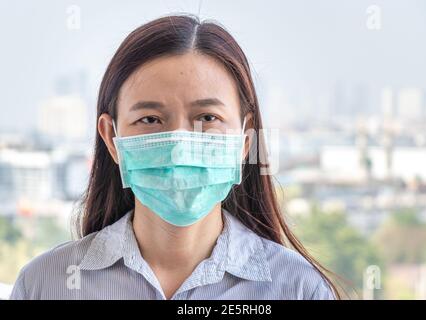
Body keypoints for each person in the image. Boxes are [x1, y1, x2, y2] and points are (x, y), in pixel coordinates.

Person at [10, 14, 338, 300]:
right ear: (112, 138)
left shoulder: (297, 289)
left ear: (245, 137)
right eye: (150, 120)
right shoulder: (45, 285)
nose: (179, 148)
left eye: (207, 118)